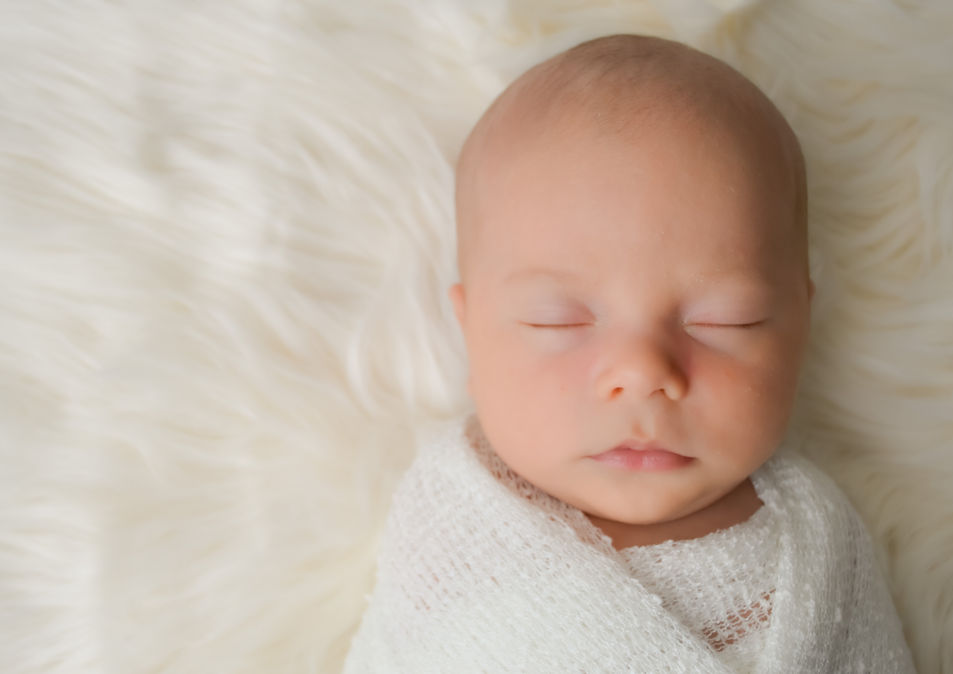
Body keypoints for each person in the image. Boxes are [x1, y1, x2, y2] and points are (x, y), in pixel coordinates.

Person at [344, 34, 916, 673]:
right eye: (557, 319)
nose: (644, 372)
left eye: (724, 319)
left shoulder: (824, 548)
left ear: (799, 325)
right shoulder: (448, 530)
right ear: (470, 330)